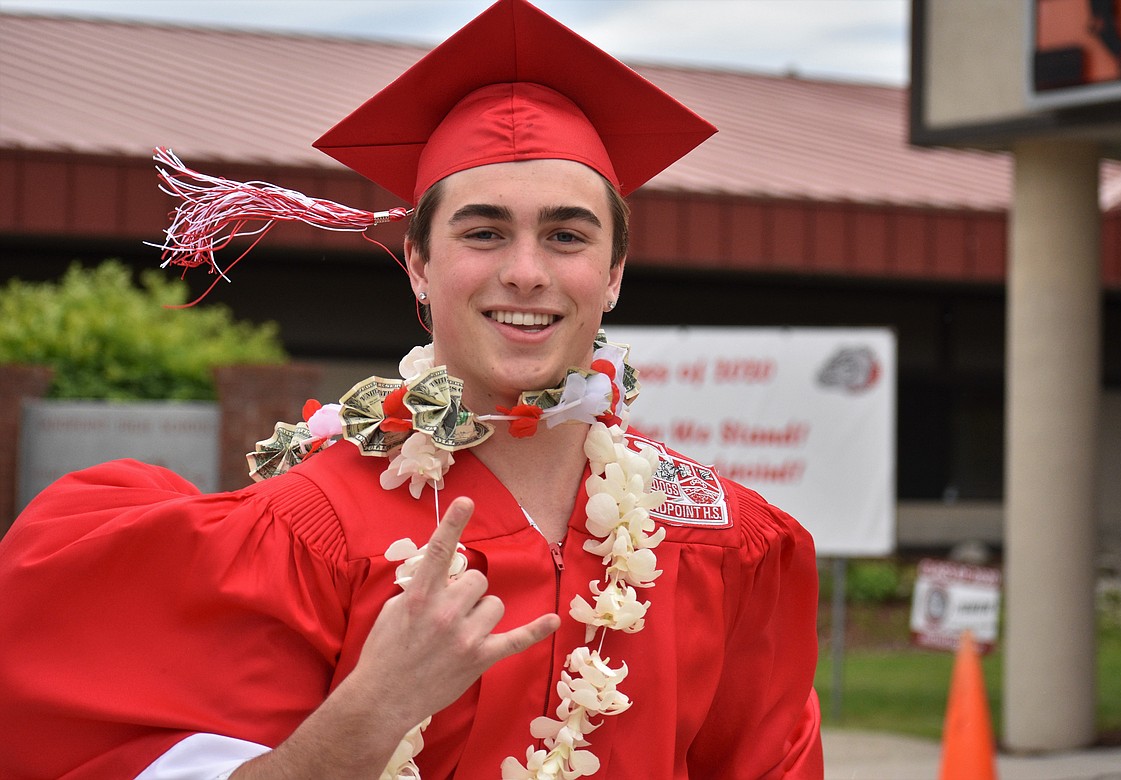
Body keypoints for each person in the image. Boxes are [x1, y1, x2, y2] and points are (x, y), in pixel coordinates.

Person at [0, 1, 823, 778]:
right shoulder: (310, 529)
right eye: (484, 231)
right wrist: (367, 715)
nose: (527, 272)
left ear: (611, 275)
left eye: (567, 235)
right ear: (421, 268)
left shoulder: (726, 541)